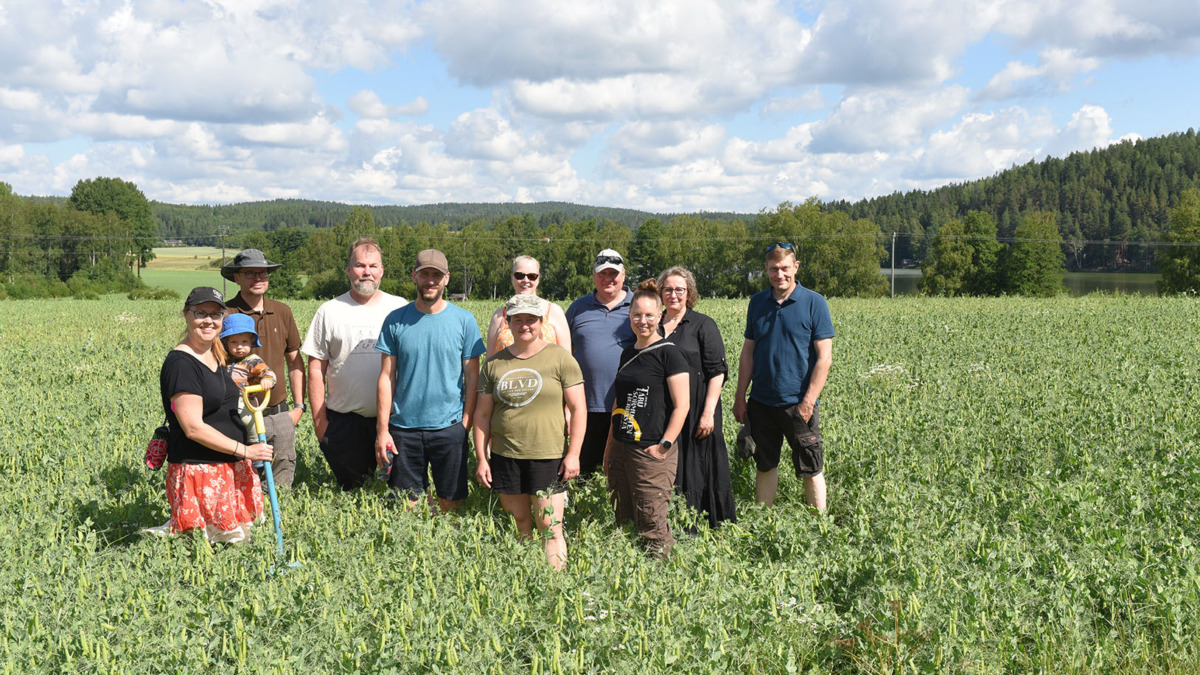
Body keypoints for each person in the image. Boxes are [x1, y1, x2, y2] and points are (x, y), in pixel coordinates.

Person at [474, 294, 587, 570]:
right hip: (506, 455)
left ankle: (554, 586)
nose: (525, 325)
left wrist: (573, 454)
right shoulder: (494, 364)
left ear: (541, 322)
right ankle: (526, 582)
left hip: (548, 455)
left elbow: (579, 409)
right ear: (508, 323)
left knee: (550, 527)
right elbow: (483, 415)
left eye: (531, 319)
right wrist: (481, 458)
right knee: (520, 524)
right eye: (518, 320)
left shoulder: (560, 358)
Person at [157, 287, 272, 542]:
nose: (209, 320)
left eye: (216, 314)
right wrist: (246, 451)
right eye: (201, 313)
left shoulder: (216, 354)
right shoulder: (181, 364)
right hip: (202, 472)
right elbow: (193, 428)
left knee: (236, 549)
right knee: (206, 551)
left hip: (228, 467)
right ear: (187, 315)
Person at [375, 249, 485, 513]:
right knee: (407, 504)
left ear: (446, 279)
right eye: (425, 274)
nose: (430, 281)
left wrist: (465, 424)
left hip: (449, 427)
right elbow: (386, 377)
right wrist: (382, 430)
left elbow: (473, 377)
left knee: (452, 502)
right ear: (414, 276)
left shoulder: (464, 320)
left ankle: (448, 552)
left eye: (436, 275)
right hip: (404, 428)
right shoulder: (395, 320)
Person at [733, 242, 835, 511]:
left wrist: (809, 400)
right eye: (773, 269)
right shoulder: (757, 303)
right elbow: (748, 353)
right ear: (766, 270)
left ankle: (819, 525)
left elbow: (824, 358)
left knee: (810, 467)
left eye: (785, 268)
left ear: (796, 267)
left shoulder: (814, 302)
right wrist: (740, 397)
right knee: (765, 464)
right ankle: (762, 521)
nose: (779, 274)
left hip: (798, 404)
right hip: (761, 402)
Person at [302, 238, 407, 490]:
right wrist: (320, 425)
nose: (366, 272)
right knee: (352, 493)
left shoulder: (400, 308)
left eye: (373, 266)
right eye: (360, 265)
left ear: (382, 271)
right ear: (349, 270)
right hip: (344, 423)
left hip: (395, 421)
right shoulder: (329, 311)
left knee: (396, 494)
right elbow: (316, 369)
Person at [604, 280, 690, 558]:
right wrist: (610, 448)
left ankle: (663, 582)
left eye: (649, 315)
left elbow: (682, 406)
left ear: (660, 315)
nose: (643, 321)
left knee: (652, 522)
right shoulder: (628, 353)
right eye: (637, 315)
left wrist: (664, 445)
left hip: (651, 449)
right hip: (622, 446)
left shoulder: (670, 354)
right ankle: (632, 573)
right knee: (624, 516)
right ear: (629, 316)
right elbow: (620, 402)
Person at [657, 266, 736, 528]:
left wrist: (708, 412)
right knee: (671, 466)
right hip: (665, 412)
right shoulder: (654, 325)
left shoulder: (703, 324)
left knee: (699, 468)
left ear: (689, 292)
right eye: (667, 289)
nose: (673, 294)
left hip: (699, 410)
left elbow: (717, 372)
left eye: (679, 289)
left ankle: (707, 526)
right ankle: (672, 525)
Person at [222, 249, 305, 489]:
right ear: (236, 277)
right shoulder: (225, 314)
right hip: (236, 413)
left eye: (263, 272)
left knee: (281, 475)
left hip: (278, 411)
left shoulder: (282, 311)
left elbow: (295, 361)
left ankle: (278, 520)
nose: (258, 278)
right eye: (250, 273)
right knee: (239, 476)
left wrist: (299, 407)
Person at [565, 249, 635, 476]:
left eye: (613, 273)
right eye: (602, 273)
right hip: (585, 405)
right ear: (593, 276)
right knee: (584, 469)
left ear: (623, 275)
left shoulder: (639, 307)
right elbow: (566, 354)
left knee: (622, 470)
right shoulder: (578, 308)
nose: (608, 279)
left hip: (628, 405)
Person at [485, 255, 572, 357]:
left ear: (538, 279)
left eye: (532, 276)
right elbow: (489, 361)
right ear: (512, 278)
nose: (525, 280)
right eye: (519, 275)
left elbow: (566, 358)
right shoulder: (499, 316)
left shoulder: (554, 312)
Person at [219, 313, 277, 444]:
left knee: (249, 421)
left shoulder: (253, 361)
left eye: (244, 342)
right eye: (234, 342)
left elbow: (267, 372)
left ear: (251, 342)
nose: (239, 346)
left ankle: (255, 442)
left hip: (246, 402)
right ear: (226, 342)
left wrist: (267, 379)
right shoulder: (223, 359)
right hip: (226, 402)